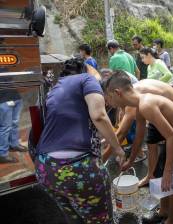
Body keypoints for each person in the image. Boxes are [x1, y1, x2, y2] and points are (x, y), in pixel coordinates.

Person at [35, 58, 125, 223]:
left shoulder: (53, 89)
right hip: (78, 169)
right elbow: (98, 115)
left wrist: (99, 142)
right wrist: (118, 149)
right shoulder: (87, 79)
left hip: (45, 169)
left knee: (75, 219)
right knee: (100, 220)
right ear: (85, 70)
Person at [104, 71, 173, 224]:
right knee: (161, 177)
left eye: (110, 97)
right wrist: (130, 161)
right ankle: (164, 211)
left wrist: (169, 170)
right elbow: (140, 136)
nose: (109, 102)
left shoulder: (146, 104)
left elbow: (172, 136)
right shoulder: (139, 104)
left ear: (117, 92)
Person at [102, 78, 173, 187]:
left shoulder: (132, 101)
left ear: (116, 93)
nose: (107, 103)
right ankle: (150, 176)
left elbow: (122, 133)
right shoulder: (129, 96)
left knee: (171, 145)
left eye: (107, 99)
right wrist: (130, 160)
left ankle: (170, 176)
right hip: (158, 106)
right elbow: (138, 131)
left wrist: (101, 162)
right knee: (151, 141)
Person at [0, 89, 27, 163]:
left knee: (15, 123)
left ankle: (13, 144)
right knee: (5, 127)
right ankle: (2, 154)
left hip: (16, 97)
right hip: (3, 99)